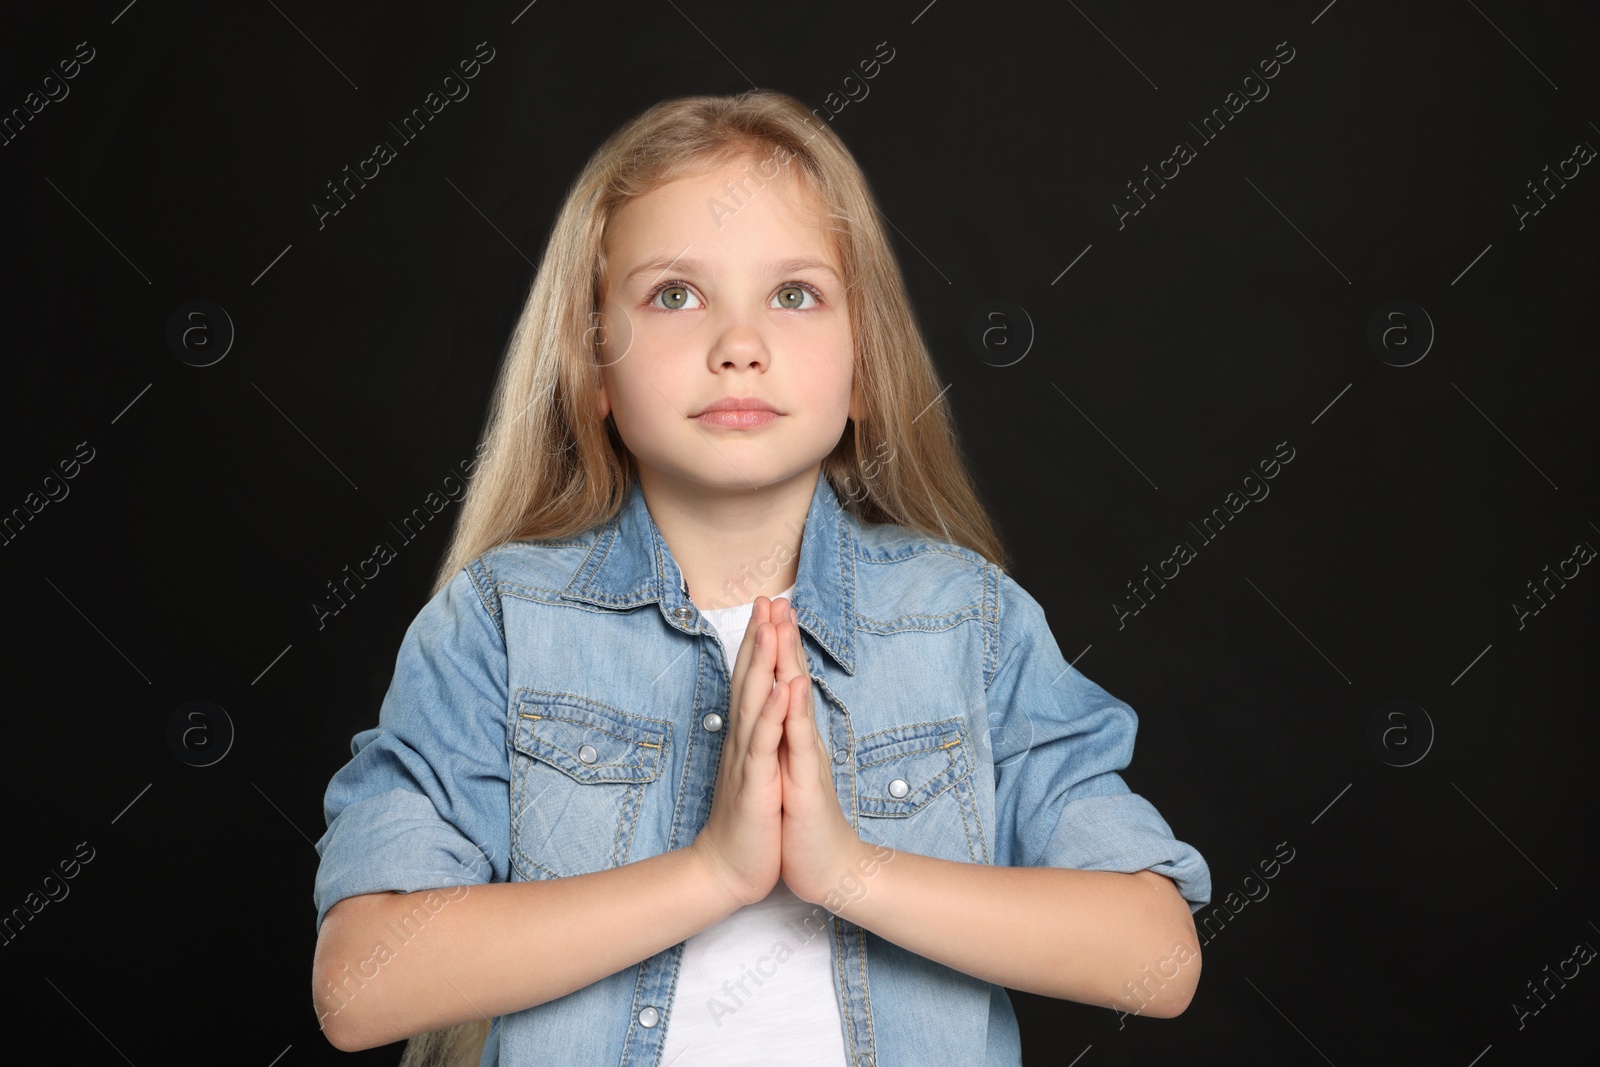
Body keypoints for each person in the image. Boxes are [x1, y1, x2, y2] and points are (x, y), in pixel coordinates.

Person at [310, 89, 1212, 1067]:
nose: (739, 343)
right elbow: (361, 986)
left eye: (793, 294)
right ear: (591, 370)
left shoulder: (966, 621)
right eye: (674, 293)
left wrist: (846, 870)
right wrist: (712, 871)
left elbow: (1156, 959)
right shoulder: (498, 625)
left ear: (864, 366)